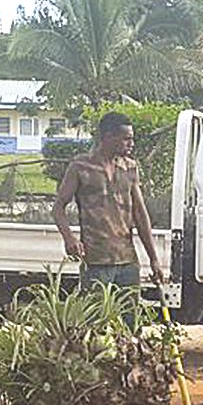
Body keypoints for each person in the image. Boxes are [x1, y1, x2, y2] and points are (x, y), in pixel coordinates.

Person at [52, 111, 165, 291]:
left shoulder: (130, 167)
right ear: (108, 137)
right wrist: (69, 239)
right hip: (96, 262)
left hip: (127, 260)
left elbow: (140, 215)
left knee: (129, 317)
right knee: (96, 317)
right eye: (126, 139)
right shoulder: (81, 167)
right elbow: (58, 208)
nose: (131, 144)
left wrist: (154, 260)